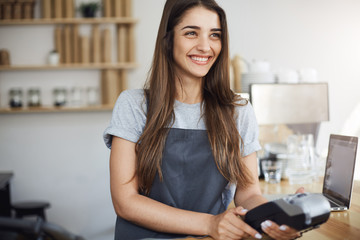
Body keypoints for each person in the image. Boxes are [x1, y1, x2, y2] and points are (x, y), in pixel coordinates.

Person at [103, 0, 303, 239]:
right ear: (168, 40)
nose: (205, 46)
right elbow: (125, 201)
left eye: (215, 35)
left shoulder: (238, 111)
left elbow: (248, 193)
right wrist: (209, 224)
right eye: (191, 33)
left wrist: (278, 218)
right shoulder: (134, 105)